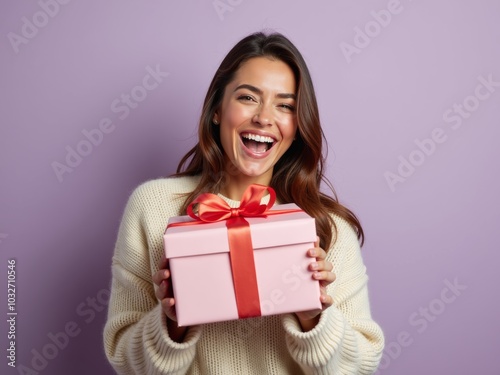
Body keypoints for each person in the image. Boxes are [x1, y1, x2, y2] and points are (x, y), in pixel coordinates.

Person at [103, 31, 384, 374]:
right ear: (217, 110)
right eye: (248, 97)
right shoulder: (152, 207)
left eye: (285, 105)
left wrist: (314, 319)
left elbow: (359, 367)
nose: (264, 117)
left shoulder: (328, 228)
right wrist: (172, 324)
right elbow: (125, 361)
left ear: (297, 127)